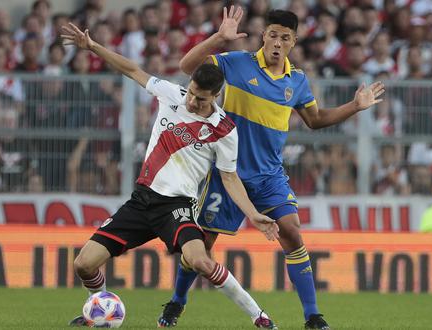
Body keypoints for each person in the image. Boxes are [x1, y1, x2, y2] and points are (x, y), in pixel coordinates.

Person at [162, 7, 385, 330]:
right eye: (272, 35)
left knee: (292, 231)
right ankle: (177, 302)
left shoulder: (298, 81)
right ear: (263, 35)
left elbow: (315, 120)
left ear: (294, 41)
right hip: (228, 174)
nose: (277, 42)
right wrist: (218, 39)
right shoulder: (236, 63)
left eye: (285, 37)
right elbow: (186, 67)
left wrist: (355, 106)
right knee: (203, 246)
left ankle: (312, 315)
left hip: (269, 176)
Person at [60, 23, 280, 329]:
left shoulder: (225, 131)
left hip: (176, 207)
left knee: (201, 261)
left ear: (216, 96)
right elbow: (132, 70)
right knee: (83, 264)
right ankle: (100, 306)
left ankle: (260, 317)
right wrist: (93, 46)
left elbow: (229, 178)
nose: (192, 102)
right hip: (141, 201)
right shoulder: (170, 94)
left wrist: (253, 215)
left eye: (201, 99)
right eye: (191, 93)